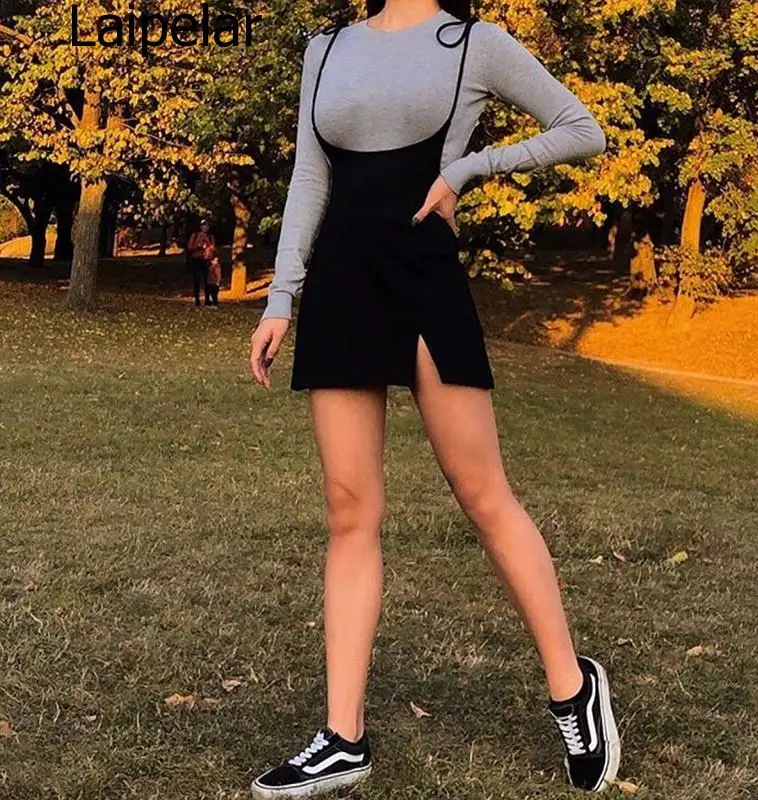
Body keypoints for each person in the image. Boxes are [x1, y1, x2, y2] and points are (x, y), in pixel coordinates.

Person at [248, 1, 619, 797]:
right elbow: (310, 175)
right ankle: (343, 737)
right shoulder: (327, 49)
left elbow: (581, 129)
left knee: (482, 493)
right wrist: (281, 298)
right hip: (343, 285)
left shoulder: (475, 44)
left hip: (424, 279)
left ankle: (573, 688)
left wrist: (468, 170)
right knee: (349, 509)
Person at [186, 219, 217, 307]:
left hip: (207, 260)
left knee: (208, 280)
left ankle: (207, 299)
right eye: (204, 225)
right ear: (200, 227)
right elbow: (189, 247)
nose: (205, 227)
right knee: (197, 279)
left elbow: (213, 248)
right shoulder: (195, 235)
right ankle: (197, 299)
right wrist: (198, 246)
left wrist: (207, 242)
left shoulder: (210, 237)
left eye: (207, 226)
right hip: (197, 259)